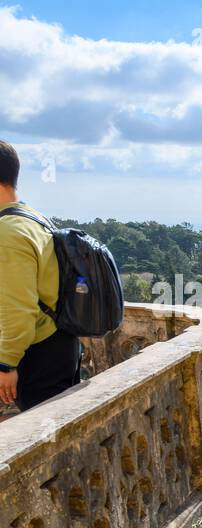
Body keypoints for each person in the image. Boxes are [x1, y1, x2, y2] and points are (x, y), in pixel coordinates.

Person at [0, 141, 82, 411]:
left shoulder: (7, 232)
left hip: (37, 353)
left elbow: (17, 308)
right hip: (61, 343)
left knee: (45, 443)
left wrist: (6, 363)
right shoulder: (32, 217)